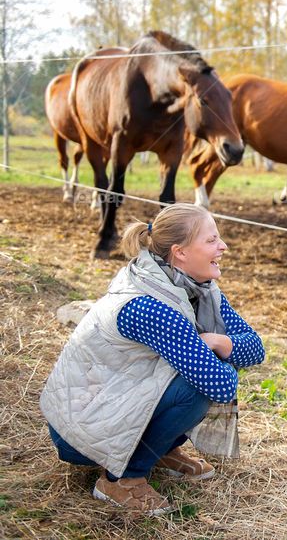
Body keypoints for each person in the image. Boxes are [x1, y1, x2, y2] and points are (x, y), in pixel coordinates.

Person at [40, 204, 265, 514]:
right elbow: (221, 386)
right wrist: (217, 358)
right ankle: (122, 480)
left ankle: (158, 450)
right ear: (180, 252)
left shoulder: (199, 289)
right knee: (197, 388)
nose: (223, 246)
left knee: (201, 369)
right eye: (212, 240)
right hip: (81, 434)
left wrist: (218, 341)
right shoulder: (149, 305)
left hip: (116, 407)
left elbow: (256, 348)